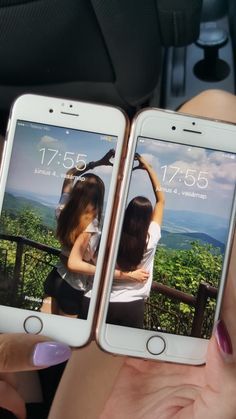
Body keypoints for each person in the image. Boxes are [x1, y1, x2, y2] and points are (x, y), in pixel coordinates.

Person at [0, 90, 236, 419]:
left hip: (62, 282)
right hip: (84, 289)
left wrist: (97, 163)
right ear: (99, 201)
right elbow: (161, 202)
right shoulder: (108, 231)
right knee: (217, 101)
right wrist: (147, 167)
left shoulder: (64, 210)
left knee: (42, 343)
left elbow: (70, 176)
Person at [105, 154, 165, 328]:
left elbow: (115, 199)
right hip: (132, 304)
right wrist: (149, 168)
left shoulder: (114, 234)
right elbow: (161, 201)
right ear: (148, 218)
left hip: (105, 300)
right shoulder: (151, 237)